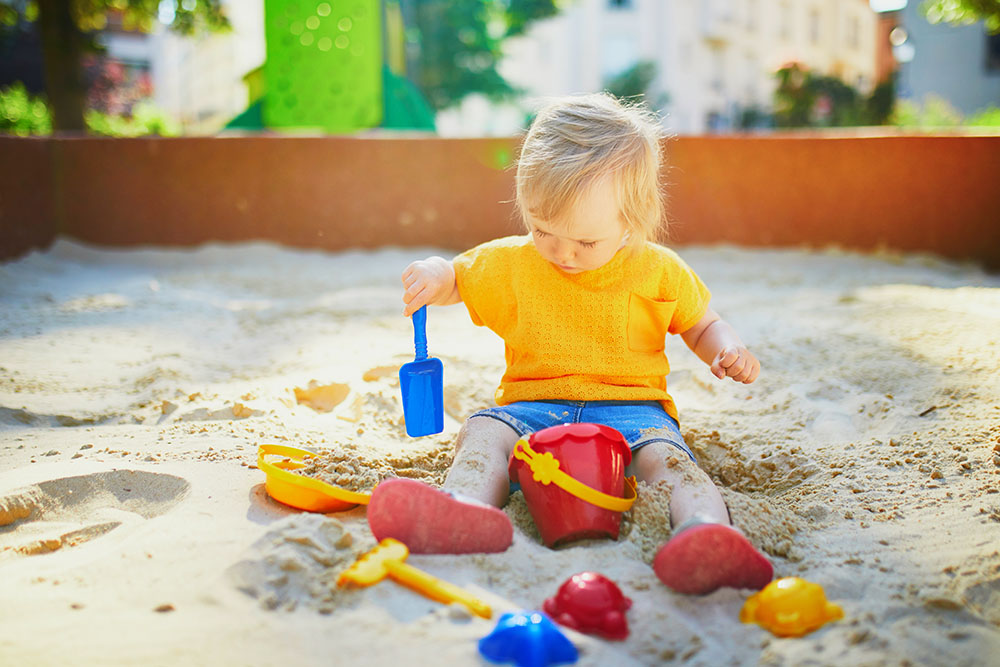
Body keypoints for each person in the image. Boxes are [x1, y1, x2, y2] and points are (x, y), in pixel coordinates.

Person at [366, 93, 773, 595]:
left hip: (633, 412)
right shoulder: (512, 263)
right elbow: (456, 278)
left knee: (671, 463)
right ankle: (466, 508)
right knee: (483, 432)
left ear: (633, 220)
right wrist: (433, 273)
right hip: (533, 409)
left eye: (586, 243)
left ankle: (706, 531)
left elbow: (701, 324)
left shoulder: (659, 270)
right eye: (543, 230)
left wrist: (726, 349)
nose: (562, 253)